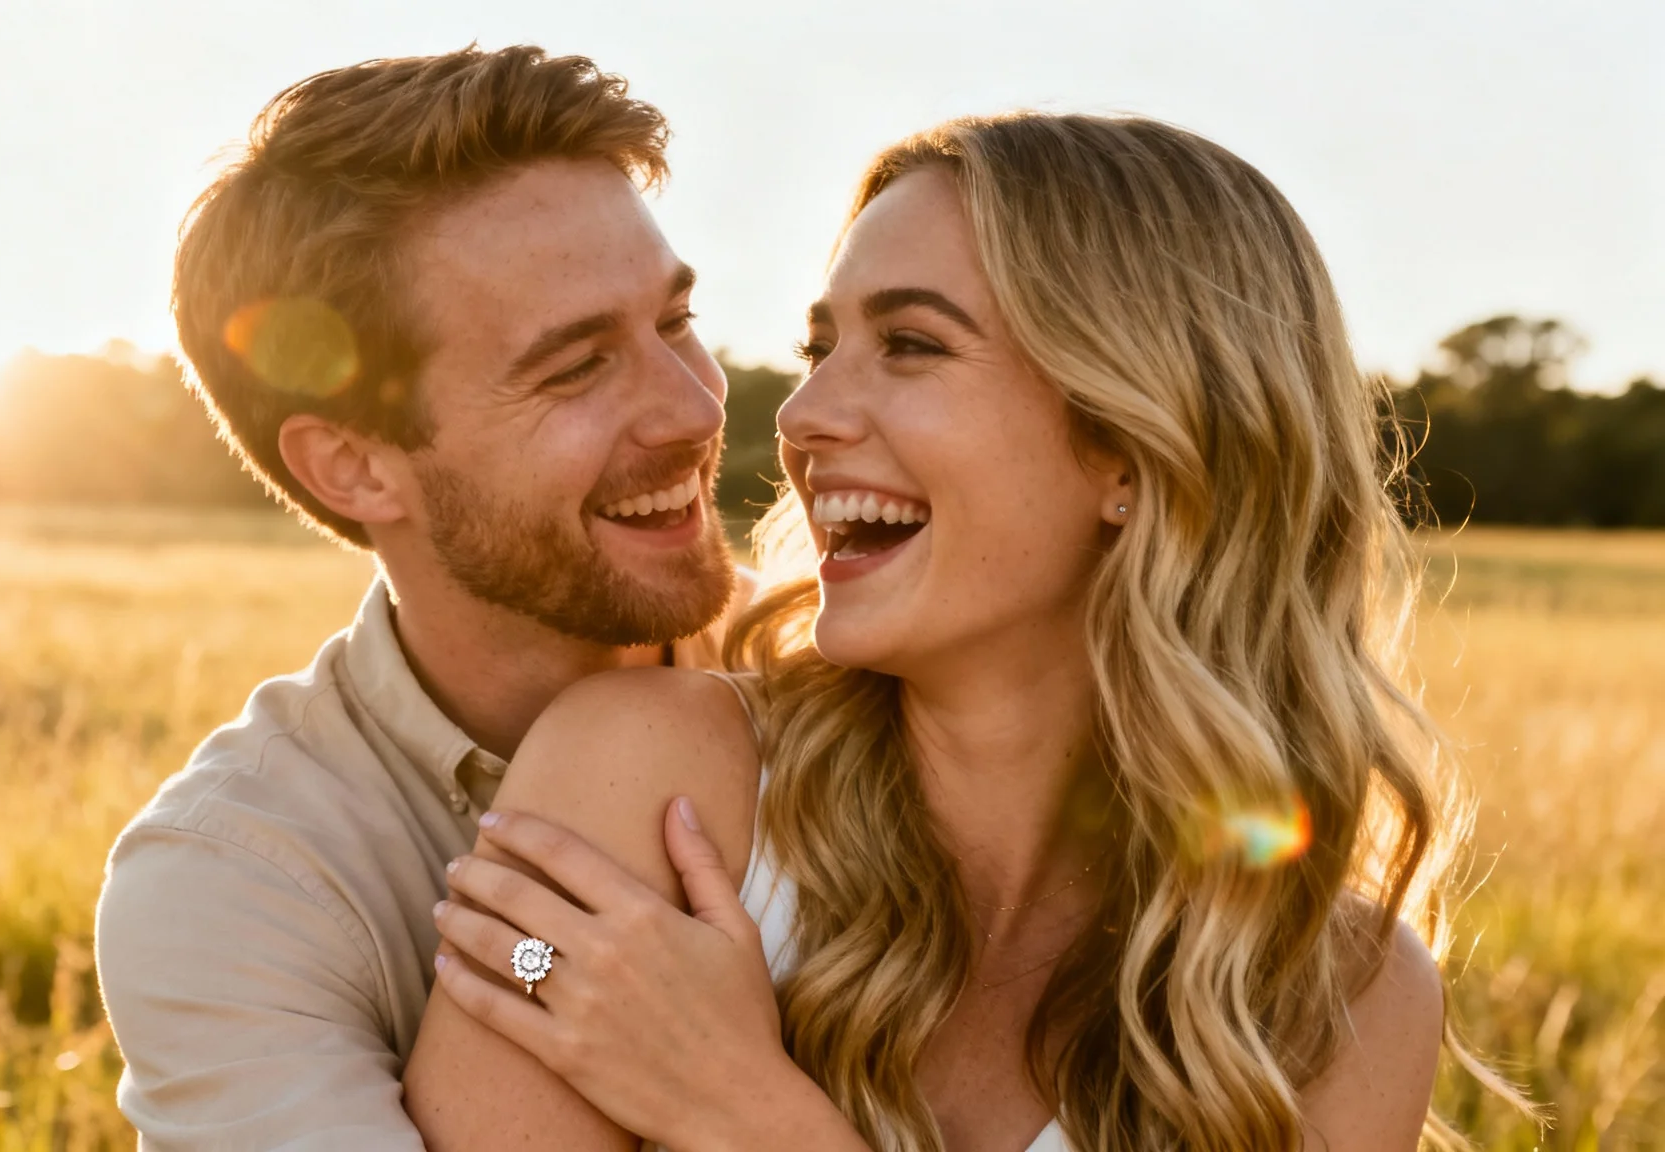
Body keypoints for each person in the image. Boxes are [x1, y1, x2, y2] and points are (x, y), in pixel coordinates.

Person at [405, 113, 1485, 1151]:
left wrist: (744, 1113)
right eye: (820, 345)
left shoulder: (1337, 996)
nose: (799, 414)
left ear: (1133, 445)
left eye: (911, 345)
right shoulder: (658, 779)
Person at [93, 46, 750, 1149]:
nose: (690, 410)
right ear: (352, 466)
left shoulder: (869, 679)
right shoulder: (233, 883)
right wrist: (572, 988)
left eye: (675, 322)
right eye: (576, 367)